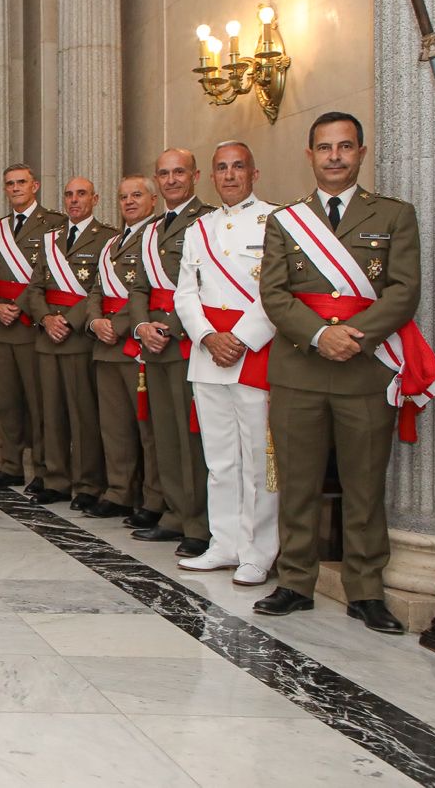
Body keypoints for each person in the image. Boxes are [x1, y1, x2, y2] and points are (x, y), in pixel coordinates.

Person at [255, 112, 435, 633]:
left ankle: (365, 589)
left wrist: (353, 336)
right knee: (297, 484)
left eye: (345, 147)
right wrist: (319, 334)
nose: (335, 156)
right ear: (309, 155)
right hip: (300, 369)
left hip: (365, 369)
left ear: (360, 153)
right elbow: (273, 293)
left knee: (363, 484)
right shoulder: (285, 221)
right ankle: (294, 582)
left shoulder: (394, 215)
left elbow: (404, 290)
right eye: (324, 147)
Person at [174, 141, 279, 585]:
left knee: (258, 458)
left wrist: (239, 338)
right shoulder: (199, 229)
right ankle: (224, 543)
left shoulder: (279, 220)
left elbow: (277, 290)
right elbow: (185, 292)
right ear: (212, 177)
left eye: (239, 167)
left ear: (254, 173)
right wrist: (206, 336)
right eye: (222, 168)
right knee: (219, 458)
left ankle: (259, 551)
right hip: (209, 354)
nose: (230, 175)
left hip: (254, 352)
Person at [129, 149, 215, 559]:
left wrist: (169, 328)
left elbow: (208, 285)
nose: (171, 180)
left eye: (179, 172)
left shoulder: (209, 221)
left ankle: (199, 522)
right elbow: (139, 287)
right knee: (164, 434)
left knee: (189, 437)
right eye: (163, 173)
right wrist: (142, 326)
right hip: (155, 344)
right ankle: (176, 512)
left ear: (195, 176)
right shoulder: (151, 230)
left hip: (187, 343)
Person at [20, 178, 117, 507]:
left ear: (95, 198)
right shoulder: (50, 241)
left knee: (83, 415)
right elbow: (34, 288)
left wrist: (68, 321)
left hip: (78, 339)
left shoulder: (107, 238)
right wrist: (46, 319)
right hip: (48, 339)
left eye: (81, 194)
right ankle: (56, 479)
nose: (74, 201)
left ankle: (88, 484)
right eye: (69, 195)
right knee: (52, 414)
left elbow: (100, 289)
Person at [85, 176, 162, 522]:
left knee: (147, 429)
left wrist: (116, 326)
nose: (129, 202)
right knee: (114, 428)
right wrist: (94, 322)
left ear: (153, 201)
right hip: (105, 346)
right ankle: (119, 490)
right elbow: (96, 292)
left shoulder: (158, 238)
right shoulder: (112, 244)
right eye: (123, 197)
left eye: (136, 195)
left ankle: (153, 497)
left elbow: (148, 293)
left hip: (135, 344)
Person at [0, 164, 64, 488]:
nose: (15, 188)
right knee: (7, 402)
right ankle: (11, 464)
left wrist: (19, 305)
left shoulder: (54, 224)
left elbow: (50, 275)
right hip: (3, 327)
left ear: (35, 185)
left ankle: (44, 469)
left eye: (21, 182)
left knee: (39, 401)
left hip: (32, 325)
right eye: (9, 184)